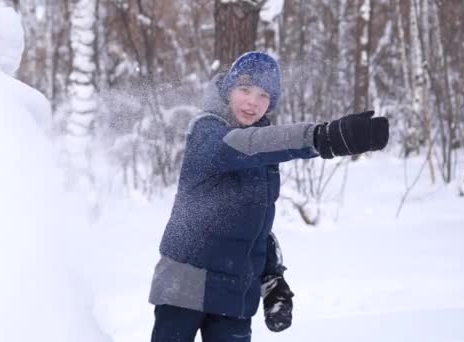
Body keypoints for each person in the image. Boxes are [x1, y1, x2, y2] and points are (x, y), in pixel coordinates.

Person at [148, 51, 389, 341]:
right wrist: (321, 137)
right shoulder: (207, 131)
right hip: (184, 286)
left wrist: (272, 278)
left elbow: (256, 222)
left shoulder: (265, 151)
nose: (253, 102)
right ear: (228, 90)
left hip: (235, 292)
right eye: (245, 89)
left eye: (264, 95)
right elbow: (248, 144)